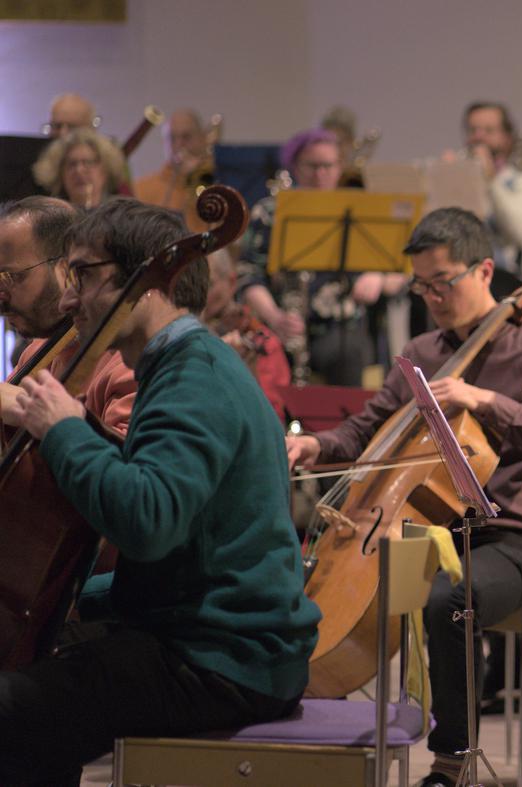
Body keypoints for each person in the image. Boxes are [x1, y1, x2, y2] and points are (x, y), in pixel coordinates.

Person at [0, 197, 320, 784]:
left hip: (224, 661)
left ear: (150, 279)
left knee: (14, 709)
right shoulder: (178, 364)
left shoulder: (193, 377)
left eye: (84, 275)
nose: (68, 298)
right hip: (204, 632)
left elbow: (147, 523)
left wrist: (64, 427)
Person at [282, 207, 522, 786]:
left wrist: (486, 401)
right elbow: (365, 431)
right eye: (421, 285)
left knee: (448, 599)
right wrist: (313, 447)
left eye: (442, 282)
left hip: (513, 538)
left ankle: (450, 760)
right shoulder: (424, 351)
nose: (432, 297)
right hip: (421, 533)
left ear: (484, 270)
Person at [238, 128, 405, 385]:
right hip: (281, 323)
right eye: (312, 166)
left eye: (328, 166)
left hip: (340, 328)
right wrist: (276, 318)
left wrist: (378, 277)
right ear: (294, 166)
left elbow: (401, 269)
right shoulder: (268, 212)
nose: (320, 174)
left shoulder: (362, 209)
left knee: (348, 353)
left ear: (340, 167)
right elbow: (248, 276)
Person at [0, 196, 135, 434]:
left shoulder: (128, 360)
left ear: (67, 269)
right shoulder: (36, 353)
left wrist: (33, 410)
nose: (1, 298)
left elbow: (123, 465)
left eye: (11, 277)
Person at [456, 102, 522, 284]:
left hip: (508, 284)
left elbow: (520, 234)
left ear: (507, 138)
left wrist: (491, 178)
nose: (478, 137)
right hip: (463, 282)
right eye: (473, 130)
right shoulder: (459, 182)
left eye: (488, 130)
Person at [202, 248, 290, 417]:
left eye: (209, 284)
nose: (201, 295)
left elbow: (271, 418)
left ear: (231, 282)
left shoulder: (262, 342)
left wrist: (241, 369)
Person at [132, 108, 211, 232]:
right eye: (172, 138)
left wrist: (194, 176)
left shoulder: (218, 182)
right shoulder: (142, 188)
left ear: (202, 139)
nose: (179, 144)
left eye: (186, 137)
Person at [31, 128, 127, 209]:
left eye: (88, 162)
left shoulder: (121, 217)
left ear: (105, 169)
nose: (79, 170)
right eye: (71, 164)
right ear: (60, 174)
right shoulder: (51, 219)